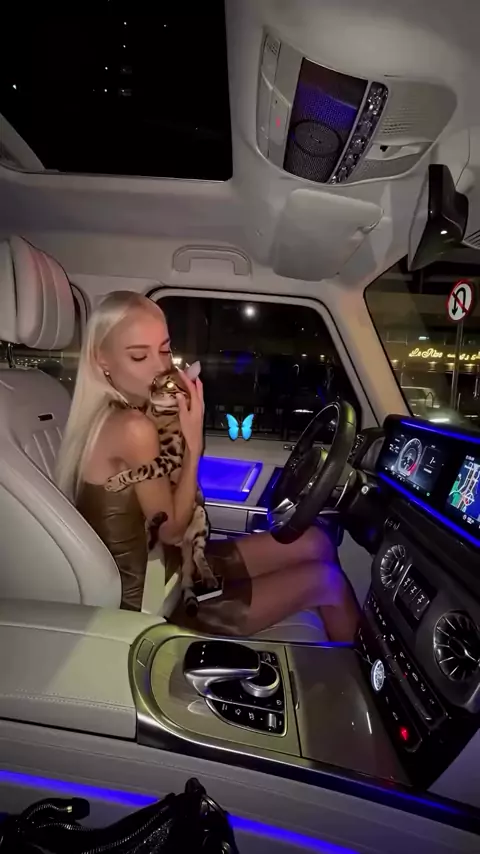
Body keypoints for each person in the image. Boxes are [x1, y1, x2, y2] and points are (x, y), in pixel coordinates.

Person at [55, 292, 360, 641]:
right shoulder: (132, 428)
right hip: (155, 603)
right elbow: (171, 531)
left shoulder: (126, 412)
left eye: (165, 350)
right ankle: (362, 673)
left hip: (169, 564)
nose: (160, 368)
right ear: (101, 359)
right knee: (328, 583)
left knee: (315, 541)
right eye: (139, 355)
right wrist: (193, 443)